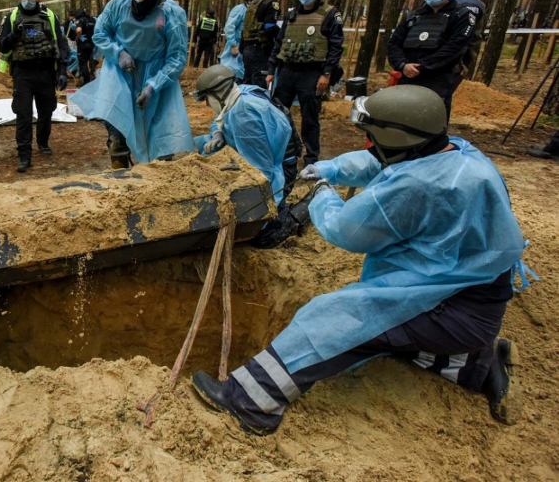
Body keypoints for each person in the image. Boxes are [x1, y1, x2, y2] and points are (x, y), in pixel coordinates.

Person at [193, 84, 527, 435]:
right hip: (474, 296)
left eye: (372, 137)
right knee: (386, 338)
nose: (369, 145)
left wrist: (323, 194)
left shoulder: (418, 186)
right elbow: (380, 162)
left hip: (455, 308)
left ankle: (251, 399)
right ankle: (479, 365)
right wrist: (331, 169)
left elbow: (346, 229)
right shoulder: (453, 152)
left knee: (338, 318)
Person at [70, 0, 192, 169]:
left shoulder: (172, 14)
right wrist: (118, 53)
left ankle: (159, 182)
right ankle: (121, 180)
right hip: (119, 75)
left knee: (160, 140)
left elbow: (177, 57)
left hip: (158, 80)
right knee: (117, 133)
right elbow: (100, 34)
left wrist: (154, 86)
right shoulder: (118, 2)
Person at [267, 0, 344, 165]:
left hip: (312, 73)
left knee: (310, 116)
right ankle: (280, 149)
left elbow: (335, 47)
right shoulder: (292, 14)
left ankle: (311, 157)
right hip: (287, 71)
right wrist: (270, 71)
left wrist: (326, 74)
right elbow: (280, 43)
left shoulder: (329, 15)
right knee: (278, 112)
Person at [192, 64, 295, 206]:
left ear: (218, 95)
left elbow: (261, 172)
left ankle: (280, 222)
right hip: (274, 156)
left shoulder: (243, 116)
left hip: (280, 169)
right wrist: (218, 133)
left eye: (207, 99)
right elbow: (220, 118)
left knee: (254, 211)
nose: (207, 105)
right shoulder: (240, 92)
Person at [0, 0, 70, 173]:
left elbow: (61, 45)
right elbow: (2, 45)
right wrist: (14, 35)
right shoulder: (12, 17)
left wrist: (62, 71)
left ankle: (43, 142)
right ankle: (24, 154)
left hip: (46, 72)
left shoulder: (49, 15)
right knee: (23, 114)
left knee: (46, 112)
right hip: (22, 73)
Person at [388, 0, 475, 121]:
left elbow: (455, 48)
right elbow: (394, 43)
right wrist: (402, 65)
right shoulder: (414, 16)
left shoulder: (461, 15)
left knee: (431, 121)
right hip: (407, 76)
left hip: (438, 79)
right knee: (401, 118)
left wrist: (422, 66)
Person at [241, 0, 286, 87]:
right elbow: (269, 26)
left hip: (247, 48)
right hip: (260, 49)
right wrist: (283, 35)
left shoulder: (256, 1)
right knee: (259, 85)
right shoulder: (272, 3)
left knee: (247, 83)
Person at [219, 0, 258, 80]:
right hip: (236, 45)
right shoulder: (240, 9)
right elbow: (229, 27)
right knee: (230, 71)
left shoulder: (255, 12)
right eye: (252, 0)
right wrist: (233, 45)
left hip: (247, 47)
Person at [74, 7, 97, 84]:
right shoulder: (92, 20)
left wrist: (79, 36)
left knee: (83, 63)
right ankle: (93, 77)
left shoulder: (81, 20)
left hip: (83, 44)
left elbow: (78, 30)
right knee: (91, 62)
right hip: (91, 43)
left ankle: (86, 82)